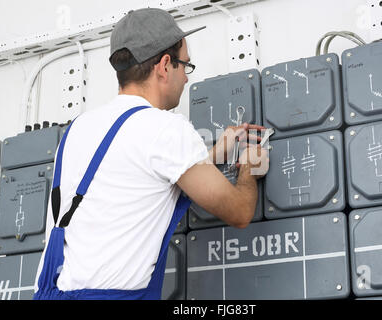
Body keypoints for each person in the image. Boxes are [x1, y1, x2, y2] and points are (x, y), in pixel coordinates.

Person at [33, 8, 269, 300]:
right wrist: (248, 167)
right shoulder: (166, 130)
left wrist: (216, 153)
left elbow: (141, 180)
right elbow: (240, 213)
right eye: (186, 66)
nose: (185, 79)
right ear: (165, 65)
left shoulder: (77, 129)